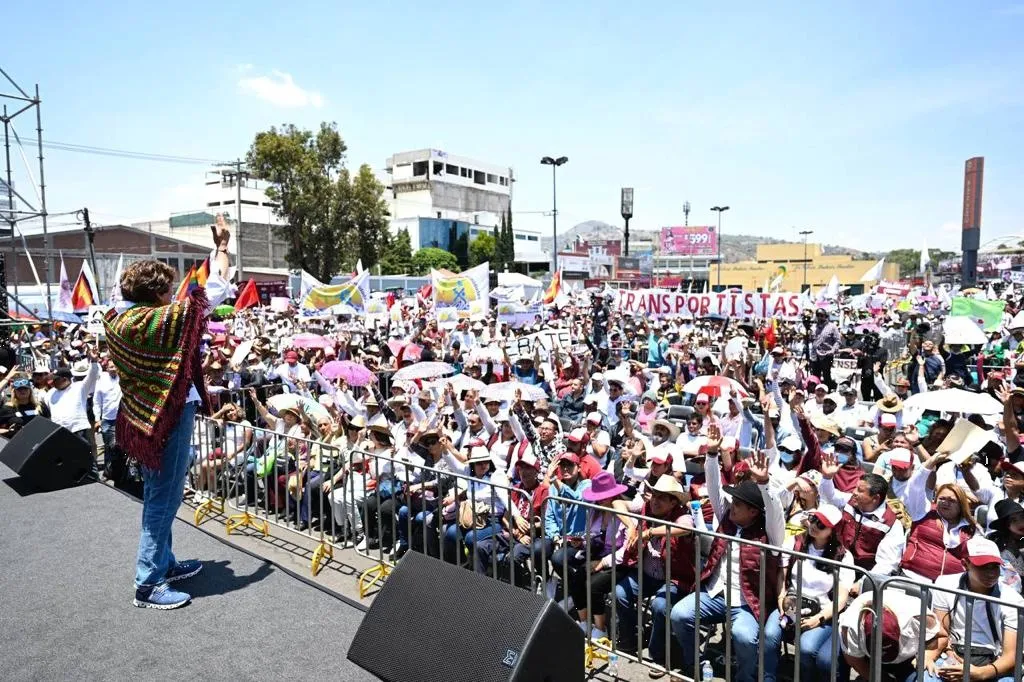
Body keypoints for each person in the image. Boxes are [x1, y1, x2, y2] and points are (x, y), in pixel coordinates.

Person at [103, 220, 233, 609]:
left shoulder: (117, 317)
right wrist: (222, 247)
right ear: (157, 295)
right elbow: (215, 288)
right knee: (164, 499)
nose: (171, 296)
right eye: (167, 290)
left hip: (143, 420)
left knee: (158, 494)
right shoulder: (157, 320)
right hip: (167, 419)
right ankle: (149, 583)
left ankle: (165, 562)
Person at [670, 449, 785, 682]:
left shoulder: (769, 534)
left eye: (739, 504)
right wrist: (712, 456)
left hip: (746, 602)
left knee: (743, 636)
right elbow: (714, 489)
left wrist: (763, 483)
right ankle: (697, 665)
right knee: (680, 614)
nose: (732, 505)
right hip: (714, 593)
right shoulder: (726, 519)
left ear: (753, 511)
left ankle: (745, 678)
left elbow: (775, 513)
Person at [763, 504, 856, 682]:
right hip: (790, 604)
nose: (814, 526)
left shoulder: (843, 556)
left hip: (822, 611)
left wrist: (818, 619)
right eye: (813, 519)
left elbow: (841, 599)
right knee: (770, 635)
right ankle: (768, 677)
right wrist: (781, 599)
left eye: (821, 524)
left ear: (833, 530)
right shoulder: (795, 542)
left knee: (806, 648)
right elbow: (782, 575)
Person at [917, 537, 1024, 682]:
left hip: (993, 665)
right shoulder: (944, 584)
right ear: (965, 564)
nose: (991, 573)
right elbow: (942, 633)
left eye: (994, 566)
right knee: (926, 677)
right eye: (983, 566)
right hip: (952, 657)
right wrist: (934, 655)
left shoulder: (1013, 600)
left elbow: (1010, 656)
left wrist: (980, 673)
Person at [94, 358, 122, 480]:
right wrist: (97, 419)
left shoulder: (123, 379)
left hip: (122, 419)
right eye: (111, 367)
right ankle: (108, 472)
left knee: (121, 446)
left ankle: (121, 472)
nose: (113, 369)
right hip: (107, 419)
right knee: (108, 447)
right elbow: (96, 402)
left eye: (115, 366)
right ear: (107, 368)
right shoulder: (101, 382)